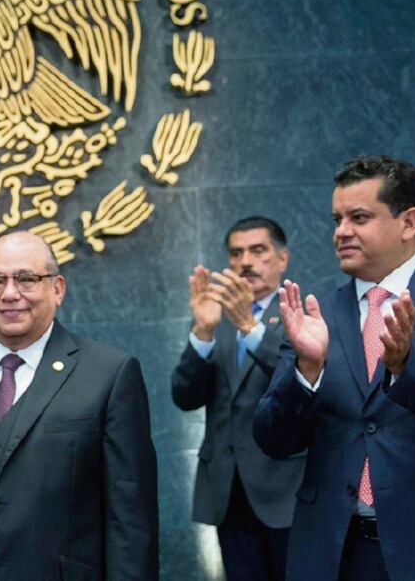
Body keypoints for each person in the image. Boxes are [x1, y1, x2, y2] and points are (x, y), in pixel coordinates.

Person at [0, 231, 159, 580]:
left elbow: (131, 522)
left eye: (26, 279)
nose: (9, 294)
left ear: (58, 288)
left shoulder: (110, 375)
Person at [254, 155, 415, 580]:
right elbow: (272, 440)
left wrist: (407, 368)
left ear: (408, 223)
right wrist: (307, 369)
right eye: (337, 219)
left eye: (359, 217)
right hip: (331, 552)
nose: (341, 232)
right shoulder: (316, 316)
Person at [172, 217, 304, 580]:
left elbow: (298, 383)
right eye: (236, 253)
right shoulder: (215, 319)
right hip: (228, 492)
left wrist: (250, 326)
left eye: (258, 251)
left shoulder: (301, 314)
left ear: (282, 259)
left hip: (287, 492)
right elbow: (184, 397)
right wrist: (202, 331)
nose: (245, 262)